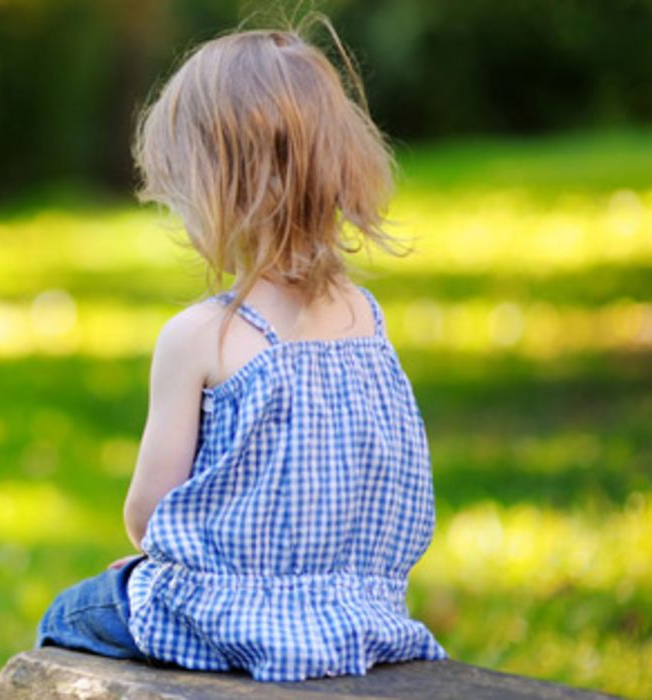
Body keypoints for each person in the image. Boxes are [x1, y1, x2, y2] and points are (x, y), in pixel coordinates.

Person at [35, 14, 450, 682]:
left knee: (68, 615)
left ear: (212, 188)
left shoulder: (202, 336)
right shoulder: (366, 323)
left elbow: (147, 514)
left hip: (225, 615)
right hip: (362, 615)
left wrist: (155, 564)